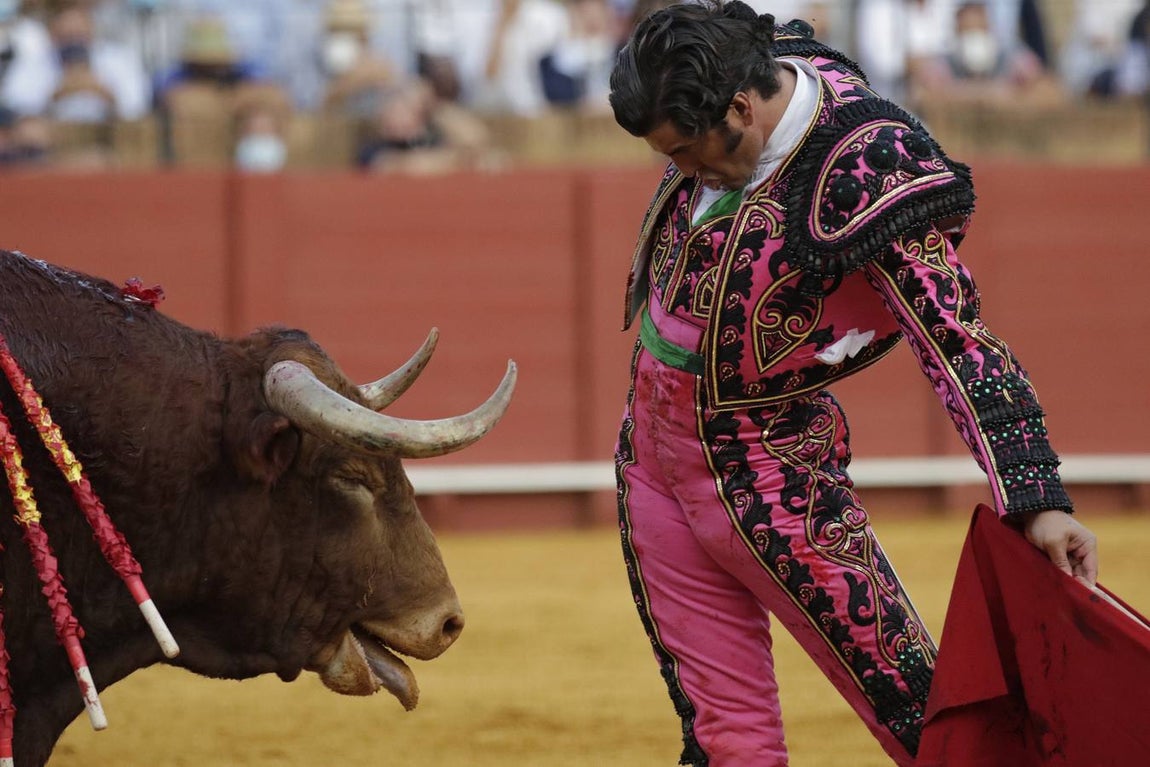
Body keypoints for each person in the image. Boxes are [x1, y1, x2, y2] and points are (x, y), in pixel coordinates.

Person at [606, 3, 1099, 765]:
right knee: (721, 735)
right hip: (653, 458)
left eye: (689, 153)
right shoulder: (744, 80)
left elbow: (955, 334)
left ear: (742, 106)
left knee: (925, 714)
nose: (683, 174)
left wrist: (1035, 498)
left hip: (768, 475)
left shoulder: (867, 163)